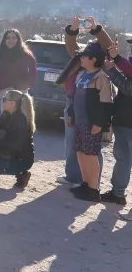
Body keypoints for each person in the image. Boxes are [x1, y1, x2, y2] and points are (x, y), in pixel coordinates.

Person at [57, 17, 111, 187]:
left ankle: (93, 184)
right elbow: (71, 46)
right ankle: (74, 177)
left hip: (92, 106)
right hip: (73, 101)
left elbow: (108, 45)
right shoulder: (82, 57)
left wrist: (97, 29)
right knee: (74, 142)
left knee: (92, 147)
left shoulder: (101, 61)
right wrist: (73, 30)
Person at [66, 42, 114, 202]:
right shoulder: (81, 75)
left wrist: (99, 124)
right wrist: (71, 114)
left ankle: (93, 189)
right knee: (80, 152)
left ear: (93, 59)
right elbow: (74, 98)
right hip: (79, 121)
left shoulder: (101, 78)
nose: (81, 58)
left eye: (84, 56)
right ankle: (85, 184)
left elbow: (106, 104)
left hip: (91, 124)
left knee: (91, 154)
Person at [99, 40, 132, 206]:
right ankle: (117, 193)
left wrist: (111, 70)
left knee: (124, 158)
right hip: (123, 120)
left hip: (127, 122)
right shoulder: (129, 65)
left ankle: (118, 193)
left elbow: (128, 88)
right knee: (122, 158)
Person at [0, 29, 37, 122]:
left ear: (18, 40)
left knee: (7, 123)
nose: (11, 40)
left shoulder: (25, 55)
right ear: (4, 40)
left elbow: (33, 74)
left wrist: (21, 88)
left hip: (12, 95)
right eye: (8, 38)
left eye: (14, 38)